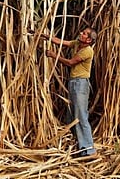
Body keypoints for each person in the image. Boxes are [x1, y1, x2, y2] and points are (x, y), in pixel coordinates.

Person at [39, 27, 98, 157]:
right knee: (72, 116)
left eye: (84, 33)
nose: (80, 33)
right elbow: (60, 42)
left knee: (81, 116)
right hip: (74, 83)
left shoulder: (87, 51)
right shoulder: (77, 43)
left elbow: (71, 63)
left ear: (88, 40)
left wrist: (53, 56)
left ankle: (89, 150)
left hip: (81, 84)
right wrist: (45, 36)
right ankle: (80, 147)